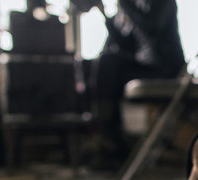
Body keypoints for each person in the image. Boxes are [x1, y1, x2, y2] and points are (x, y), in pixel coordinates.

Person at [74, 0, 186, 168]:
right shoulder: (135, 5)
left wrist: (125, 3)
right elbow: (125, 43)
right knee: (101, 61)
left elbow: (151, 28)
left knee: (110, 64)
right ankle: (105, 134)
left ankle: (110, 139)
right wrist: (103, 12)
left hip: (165, 67)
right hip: (145, 65)